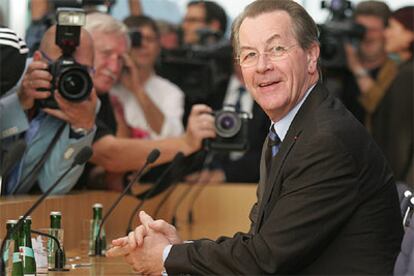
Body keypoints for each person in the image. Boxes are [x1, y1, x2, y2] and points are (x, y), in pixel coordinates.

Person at [106, 0, 403, 274]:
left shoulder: (326, 139)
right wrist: (178, 249)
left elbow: (265, 258)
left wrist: (167, 256)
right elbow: (261, 243)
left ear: (311, 56)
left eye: (277, 50)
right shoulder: (291, 127)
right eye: (249, 54)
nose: (262, 66)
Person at [76, 12, 215, 190]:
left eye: (120, 58)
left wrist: (137, 90)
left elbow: (167, 135)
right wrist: (186, 143)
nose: (114, 66)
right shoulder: (93, 88)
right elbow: (111, 154)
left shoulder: (168, 91)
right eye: (106, 54)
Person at [1, 25, 97, 195]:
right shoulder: (8, 68)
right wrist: (19, 102)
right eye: (60, 66)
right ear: (38, 59)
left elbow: (53, 187)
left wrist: (81, 129)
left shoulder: (84, 101)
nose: (70, 78)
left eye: (82, 70)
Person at [111, 15, 185, 140]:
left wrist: (138, 90)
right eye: (136, 40)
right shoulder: (106, 84)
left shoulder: (170, 92)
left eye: (149, 39)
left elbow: (172, 137)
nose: (143, 45)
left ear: (159, 45)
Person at [342, 1, 397, 129]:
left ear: (387, 32)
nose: (367, 36)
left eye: (373, 30)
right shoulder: (337, 67)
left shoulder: (399, 71)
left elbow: (382, 110)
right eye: (360, 29)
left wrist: (356, 67)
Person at [374, 6, 413, 187]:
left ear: (410, 34)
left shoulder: (408, 75)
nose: (385, 34)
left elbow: (400, 141)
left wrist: (390, 185)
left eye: (391, 27)